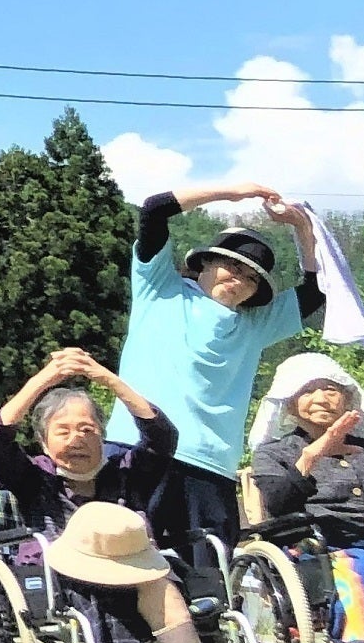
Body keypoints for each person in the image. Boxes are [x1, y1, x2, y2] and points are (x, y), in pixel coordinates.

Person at [0, 349, 242, 643]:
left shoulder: (126, 470)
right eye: (63, 431)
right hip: (61, 579)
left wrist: (107, 378)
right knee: (94, 584)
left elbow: (162, 436)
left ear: (103, 436)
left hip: (136, 571)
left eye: (87, 429)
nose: (77, 439)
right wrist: (45, 378)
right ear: (43, 441)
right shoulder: (32, 476)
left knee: (160, 582)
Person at [111, 183, 324, 549]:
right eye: (232, 266)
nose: (240, 280)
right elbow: (154, 209)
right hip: (139, 450)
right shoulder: (161, 288)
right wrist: (232, 192)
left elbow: (318, 289)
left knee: (210, 574)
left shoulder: (255, 324)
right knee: (125, 565)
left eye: (252, 278)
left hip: (212, 468)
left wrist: (302, 227)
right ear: (206, 262)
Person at [251, 354, 364, 643]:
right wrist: (313, 454)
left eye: (330, 389)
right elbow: (279, 505)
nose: (321, 398)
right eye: (308, 390)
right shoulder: (273, 453)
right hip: (330, 548)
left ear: (348, 399)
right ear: (289, 403)